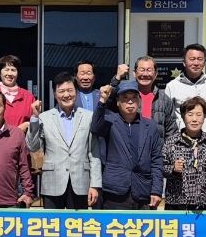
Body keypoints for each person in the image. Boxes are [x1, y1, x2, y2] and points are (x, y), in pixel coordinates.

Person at [27, 72, 101, 209]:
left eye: (70, 90)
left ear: (76, 92)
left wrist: (95, 185)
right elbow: (33, 146)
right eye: (61, 91)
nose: (66, 95)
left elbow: (94, 152)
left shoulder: (88, 117)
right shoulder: (44, 117)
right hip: (52, 183)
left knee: (78, 222)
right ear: (55, 94)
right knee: (52, 222)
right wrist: (34, 118)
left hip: (81, 182)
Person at [90, 81, 162, 210]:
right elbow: (95, 128)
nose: (130, 102)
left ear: (139, 101)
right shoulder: (110, 120)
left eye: (134, 98)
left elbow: (156, 159)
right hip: (115, 190)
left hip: (143, 190)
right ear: (118, 102)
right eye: (125, 98)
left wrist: (156, 190)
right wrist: (102, 101)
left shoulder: (150, 126)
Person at [163, 97, 206, 211]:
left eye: (199, 115)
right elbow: (159, 168)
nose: (194, 119)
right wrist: (173, 169)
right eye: (190, 114)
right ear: (183, 116)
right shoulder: (171, 142)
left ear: (205, 116)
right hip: (177, 204)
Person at [109, 57, 176, 142]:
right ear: (134, 73)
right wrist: (117, 78)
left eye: (149, 70)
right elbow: (108, 101)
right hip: (130, 146)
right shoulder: (124, 97)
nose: (145, 74)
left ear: (155, 74)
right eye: (142, 70)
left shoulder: (164, 100)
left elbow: (172, 132)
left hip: (157, 148)